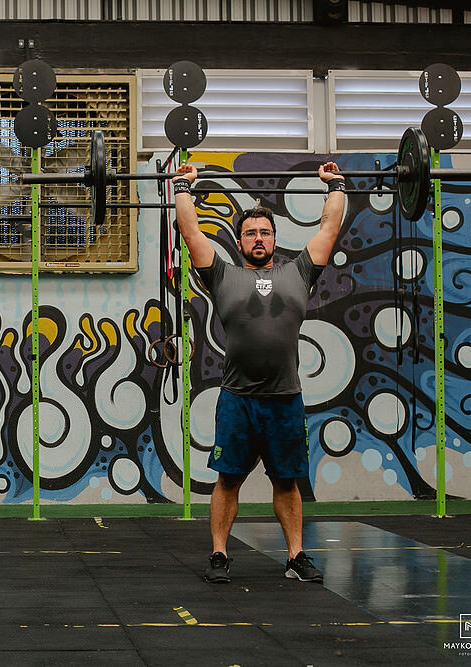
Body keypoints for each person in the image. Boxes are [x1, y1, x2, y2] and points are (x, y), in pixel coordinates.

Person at [172, 162, 346, 584]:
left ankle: (296, 556)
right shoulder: (222, 275)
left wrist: (336, 185)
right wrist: (181, 185)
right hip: (238, 399)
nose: (258, 238)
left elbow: (329, 228)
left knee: (287, 482)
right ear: (239, 240)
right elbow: (191, 232)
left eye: (264, 232)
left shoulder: (299, 273)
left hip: (285, 398)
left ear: (274, 238)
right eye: (250, 233)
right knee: (228, 479)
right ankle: (219, 554)